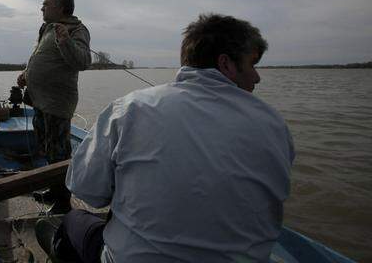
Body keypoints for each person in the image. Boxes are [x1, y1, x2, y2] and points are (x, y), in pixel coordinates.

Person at [35, 13, 295, 263]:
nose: (257, 77)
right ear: (225, 63)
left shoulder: (129, 109)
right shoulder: (275, 124)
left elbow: (86, 191)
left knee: (73, 220)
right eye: (252, 65)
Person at [17, 0, 91, 213]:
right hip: (39, 101)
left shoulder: (78, 29)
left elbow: (83, 62)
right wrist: (26, 74)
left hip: (58, 103)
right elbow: (39, 55)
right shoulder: (46, 28)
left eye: (46, 4)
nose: (42, 7)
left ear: (60, 7)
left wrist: (65, 40)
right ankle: (53, 190)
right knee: (46, 148)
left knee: (59, 154)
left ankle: (62, 202)